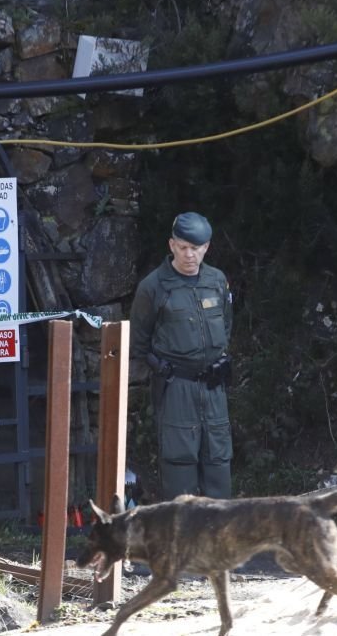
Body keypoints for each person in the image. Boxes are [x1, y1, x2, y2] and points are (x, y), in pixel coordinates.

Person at [130, 211, 233, 499]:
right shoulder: (153, 287)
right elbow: (139, 343)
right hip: (176, 386)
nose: (190, 255)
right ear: (172, 245)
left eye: (196, 248)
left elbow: (226, 325)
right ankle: (182, 538)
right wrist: (162, 369)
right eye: (183, 247)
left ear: (206, 247)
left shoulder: (216, 280)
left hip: (214, 385)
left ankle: (220, 536)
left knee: (218, 459)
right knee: (179, 462)